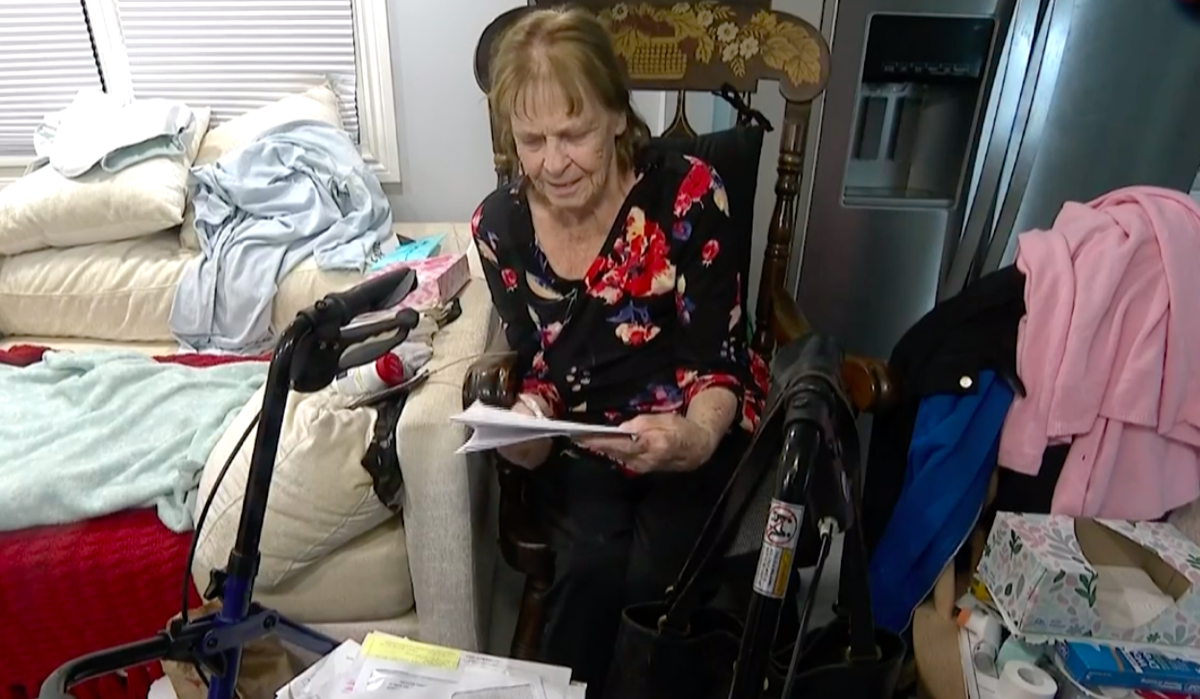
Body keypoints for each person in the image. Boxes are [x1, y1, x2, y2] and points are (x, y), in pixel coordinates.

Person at [471, 6, 768, 694]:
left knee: (657, 574)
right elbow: (538, 363)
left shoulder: (689, 193)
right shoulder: (500, 228)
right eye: (532, 140)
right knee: (588, 567)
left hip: (690, 421)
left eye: (573, 134)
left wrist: (694, 435)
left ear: (614, 113)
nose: (553, 163)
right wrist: (526, 426)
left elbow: (719, 357)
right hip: (586, 438)